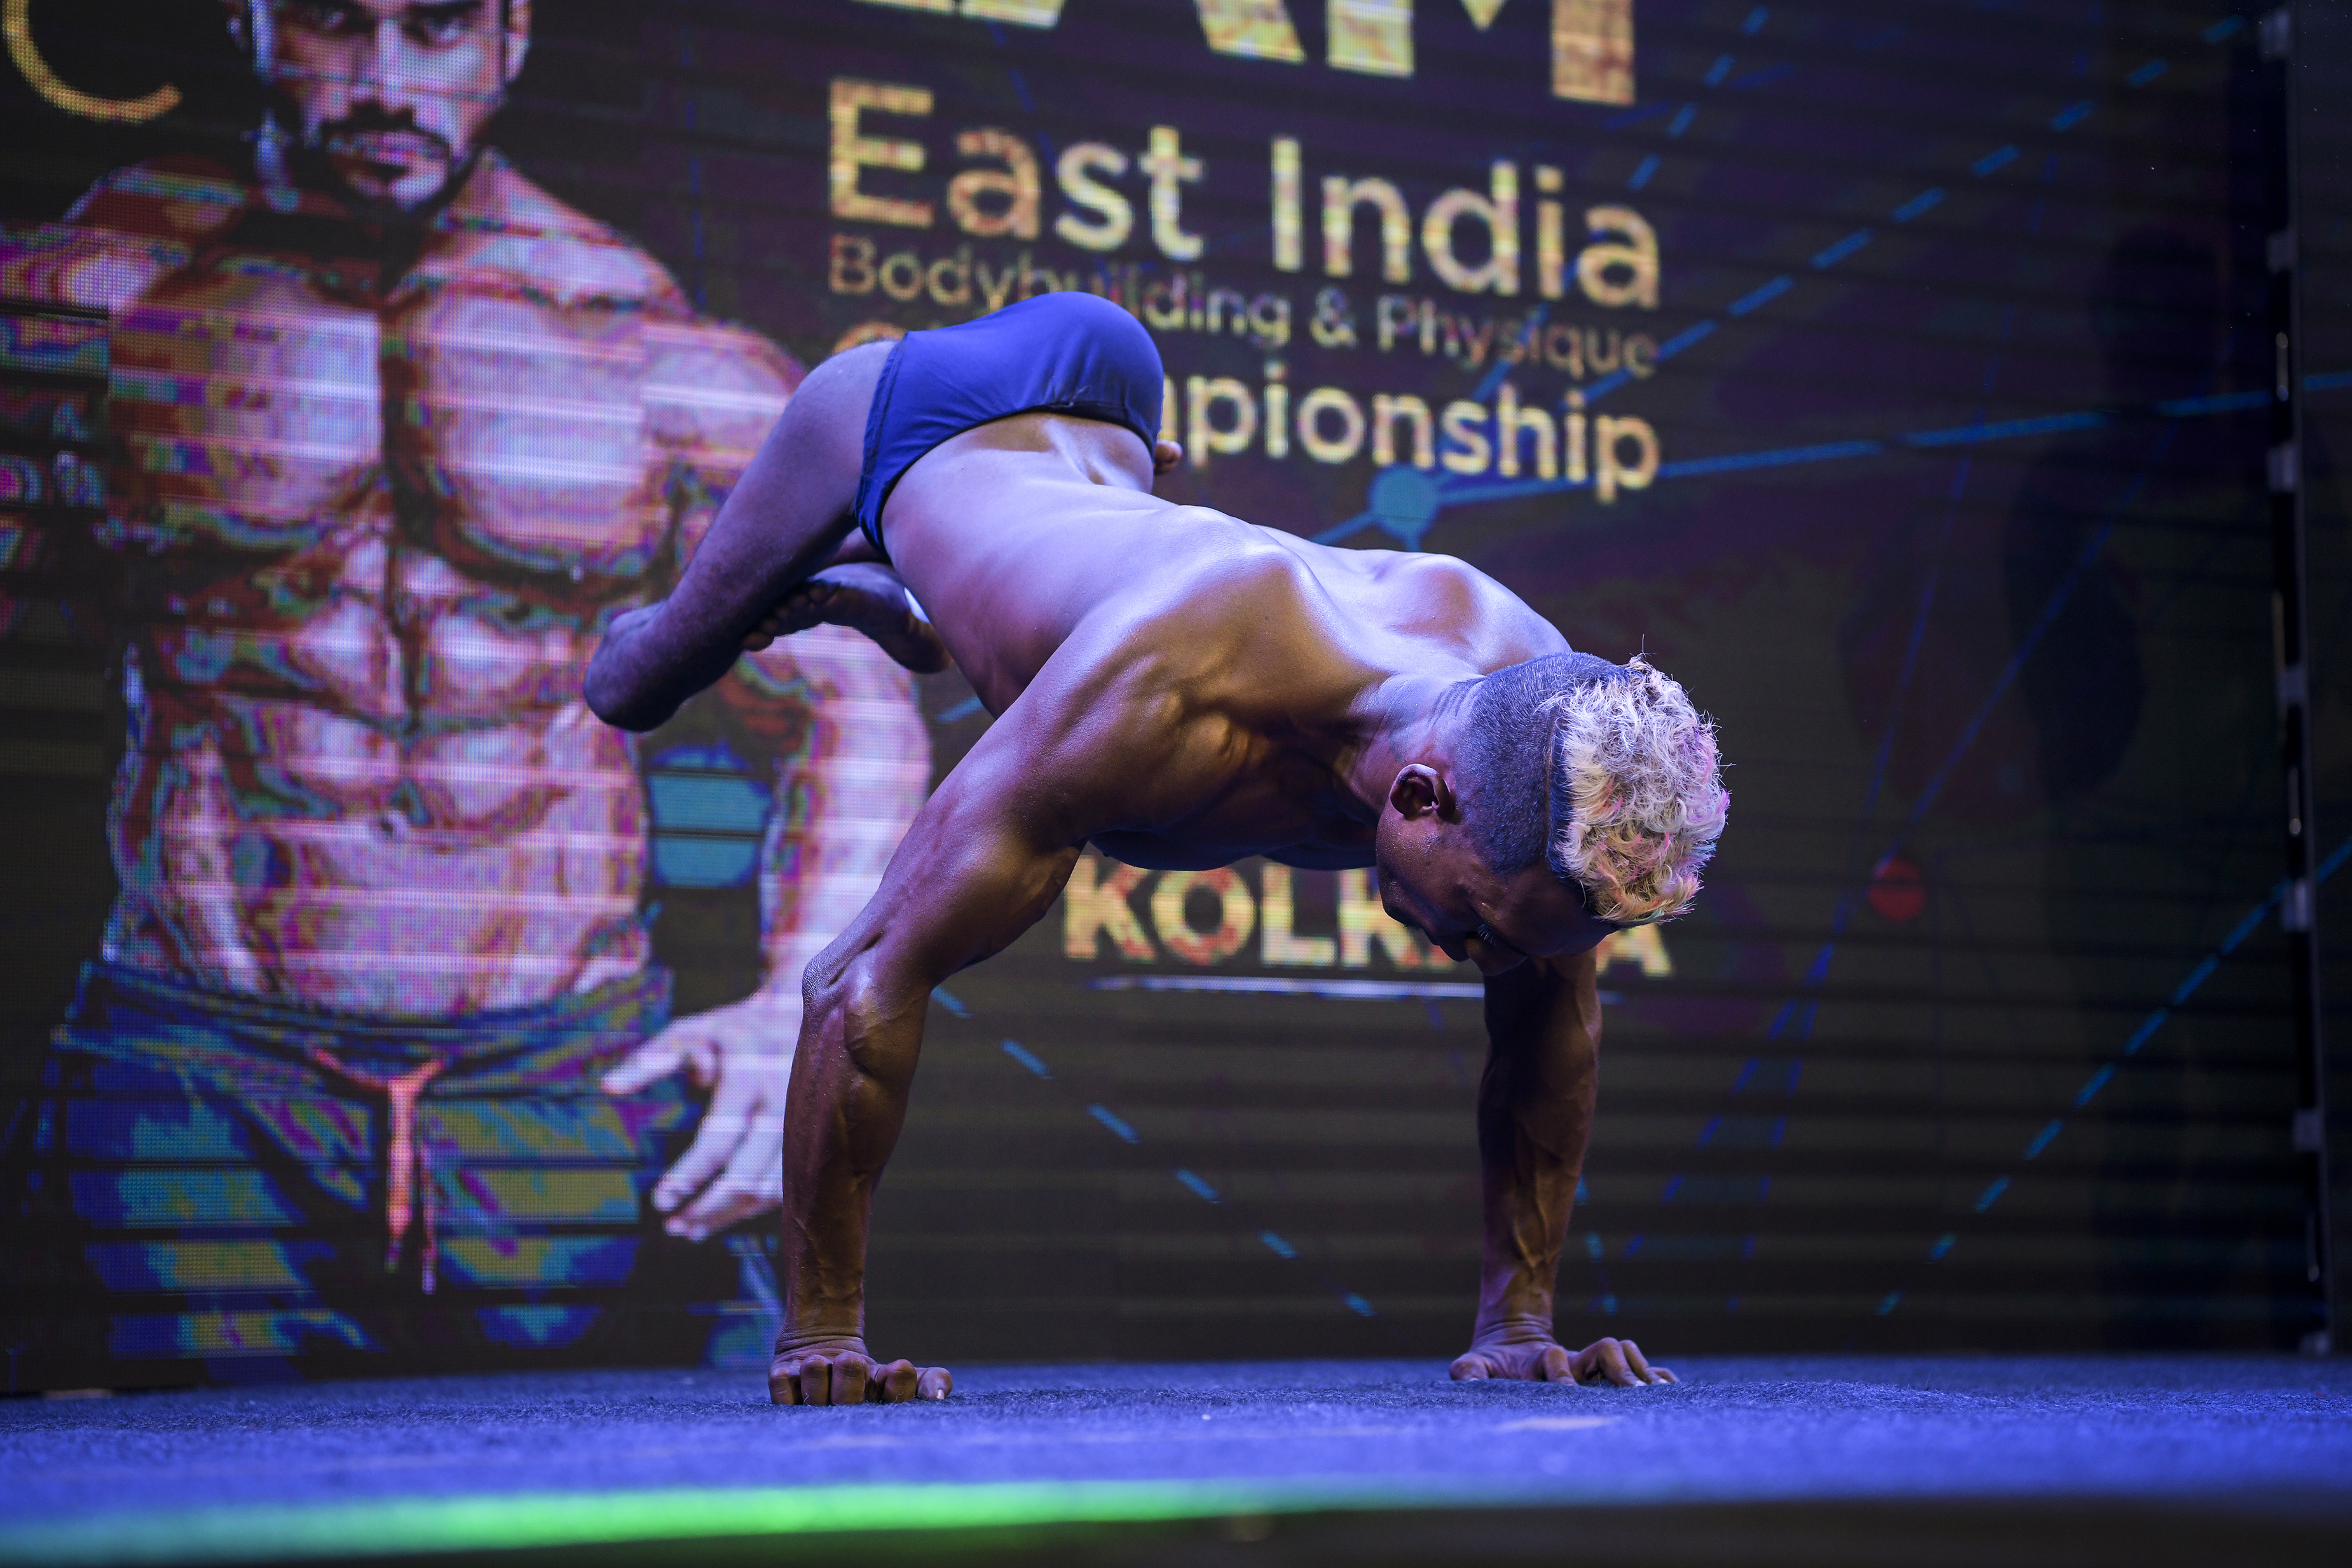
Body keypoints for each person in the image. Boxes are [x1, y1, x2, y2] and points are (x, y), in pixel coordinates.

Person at [0, 0, 928, 1377]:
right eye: (331, 23)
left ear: (506, 35)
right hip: (199, 1076)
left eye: (431, 28)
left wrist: (787, 1008)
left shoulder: (642, 344)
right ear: (250, 25)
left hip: (567, 1081)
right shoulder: (88, 311)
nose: (384, 80)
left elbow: (847, 695)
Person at [586, 291, 1730, 1404]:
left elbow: (1551, 1041)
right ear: (1421, 799)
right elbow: (860, 979)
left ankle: (912, 590)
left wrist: (1520, 1328)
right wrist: (820, 1337)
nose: (1477, 956)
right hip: (903, 417)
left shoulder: (1541, 723)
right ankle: (871, 545)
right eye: (1478, 925)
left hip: (1112, 430)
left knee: (1033, 631)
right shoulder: (1178, 685)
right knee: (633, 686)